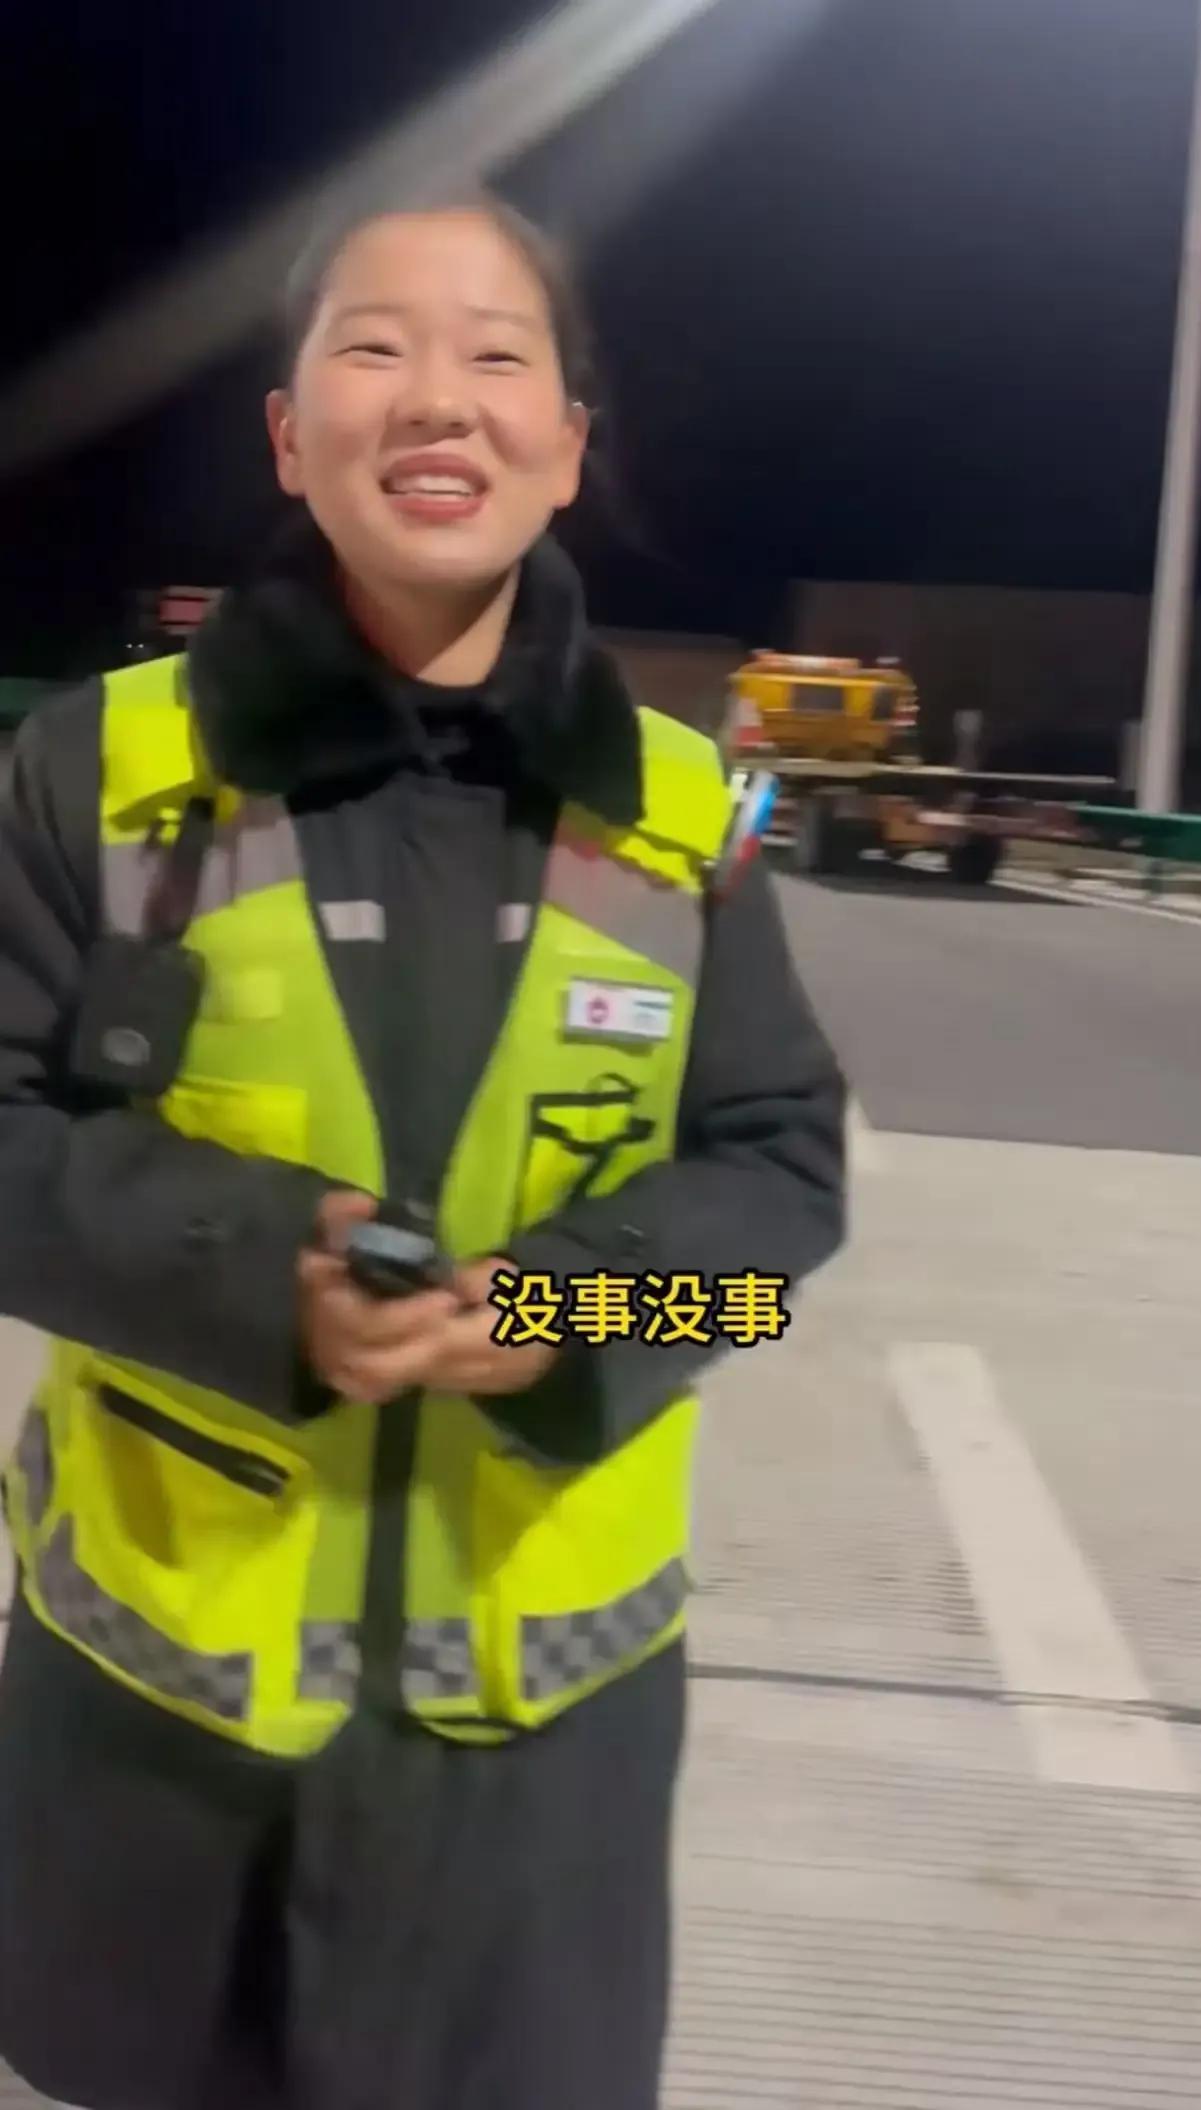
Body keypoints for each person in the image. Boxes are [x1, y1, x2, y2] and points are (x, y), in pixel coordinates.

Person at [0, 185, 846, 2110]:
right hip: (156, 1771)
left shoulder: (687, 816)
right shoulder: (94, 773)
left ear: (568, 442)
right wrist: (255, 1278)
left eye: (496, 356)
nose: (437, 398)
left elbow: (779, 1207)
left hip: (535, 1804)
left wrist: (567, 1311)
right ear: (290, 435)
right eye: (372, 347)